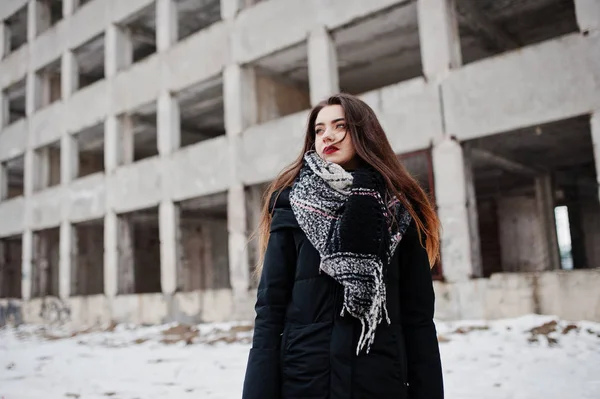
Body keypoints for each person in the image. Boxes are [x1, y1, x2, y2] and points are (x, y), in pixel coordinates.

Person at [242, 93, 444, 399]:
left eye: (340, 126)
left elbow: (418, 321)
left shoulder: (401, 211)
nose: (328, 136)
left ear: (365, 133)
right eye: (319, 130)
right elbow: (269, 312)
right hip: (305, 381)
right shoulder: (291, 207)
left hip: (379, 382)